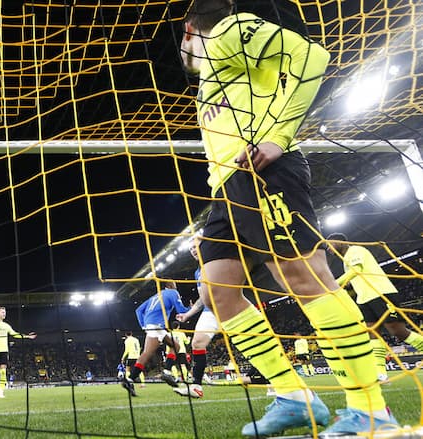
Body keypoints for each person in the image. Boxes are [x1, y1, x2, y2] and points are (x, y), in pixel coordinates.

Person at [181, 0, 396, 435]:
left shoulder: (226, 31)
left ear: (188, 31)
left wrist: (277, 137)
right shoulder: (210, 77)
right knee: (218, 290)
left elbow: (312, 55)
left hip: (264, 170)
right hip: (228, 185)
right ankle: (296, 398)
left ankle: (371, 411)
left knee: (304, 277)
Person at [327, 233, 423, 381]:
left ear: (339, 242)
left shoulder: (355, 251)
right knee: (372, 334)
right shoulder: (345, 259)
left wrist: (334, 285)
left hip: (380, 293)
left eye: (330, 244)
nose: (328, 249)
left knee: (397, 331)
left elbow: (356, 271)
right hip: (364, 298)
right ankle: (381, 374)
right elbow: (356, 279)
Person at [122, 281, 190, 396]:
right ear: (170, 286)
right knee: (150, 353)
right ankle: (165, 372)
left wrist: (144, 325)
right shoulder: (173, 292)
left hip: (152, 325)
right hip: (157, 325)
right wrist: (191, 308)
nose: (176, 286)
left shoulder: (156, 296)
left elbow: (138, 310)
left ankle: (130, 379)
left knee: (173, 346)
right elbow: (181, 310)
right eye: (174, 284)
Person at [175, 235, 220, 398]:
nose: (193, 250)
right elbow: (203, 299)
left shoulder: (216, 262)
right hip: (210, 311)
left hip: (229, 307)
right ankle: (196, 387)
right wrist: (187, 314)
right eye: (191, 249)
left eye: (196, 246)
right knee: (197, 343)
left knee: (250, 343)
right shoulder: (198, 272)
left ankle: (274, 381)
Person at [0, 306, 37, 398]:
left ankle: (1, 391)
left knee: (3, 372)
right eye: (3, 312)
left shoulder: (6, 325)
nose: (4, 314)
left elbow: (15, 334)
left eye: (5, 312)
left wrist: (27, 336)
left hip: (4, 350)